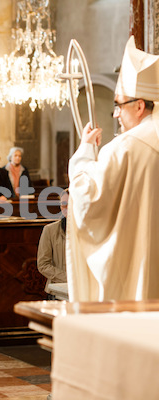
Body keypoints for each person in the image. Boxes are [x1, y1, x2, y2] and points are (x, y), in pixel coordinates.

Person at [67, 36, 159, 301]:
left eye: (118, 105)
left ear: (139, 106)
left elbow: (87, 198)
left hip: (134, 271)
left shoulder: (125, 147)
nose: (116, 114)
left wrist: (84, 152)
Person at [38, 190, 69, 298]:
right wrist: (68, 278)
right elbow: (43, 265)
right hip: (57, 290)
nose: (66, 207)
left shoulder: (88, 229)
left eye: (70, 204)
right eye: (63, 204)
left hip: (83, 289)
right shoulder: (50, 230)